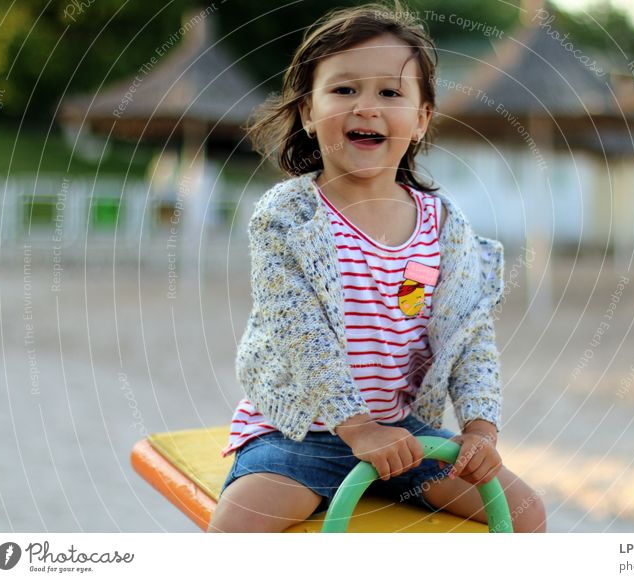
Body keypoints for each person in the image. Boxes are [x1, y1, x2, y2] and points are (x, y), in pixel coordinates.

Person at [208, 2, 546, 533]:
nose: (367, 107)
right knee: (237, 528)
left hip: (403, 438)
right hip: (302, 436)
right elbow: (299, 333)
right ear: (307, 112)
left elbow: (469, 336)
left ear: (421, 119)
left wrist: (481, 430)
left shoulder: (443, 226)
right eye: (344, 90)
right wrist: (357, 427)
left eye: (390, 93)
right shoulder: (288, 216)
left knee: (525, 513)